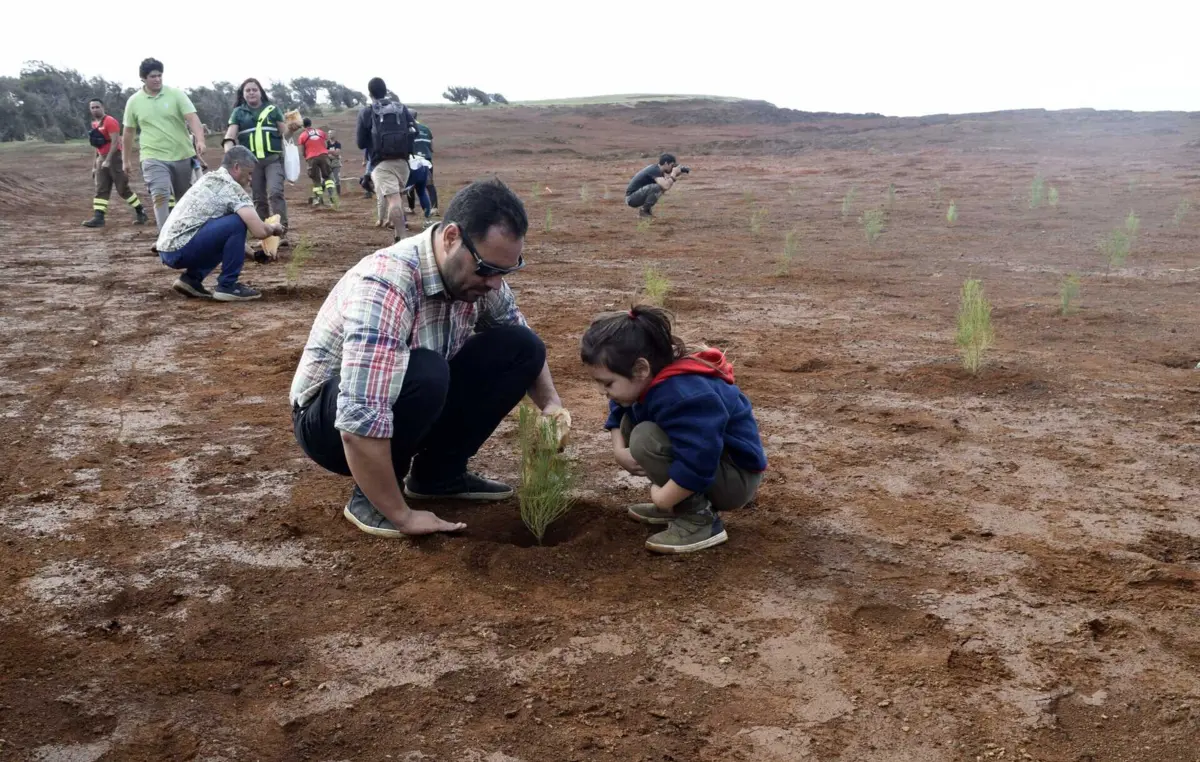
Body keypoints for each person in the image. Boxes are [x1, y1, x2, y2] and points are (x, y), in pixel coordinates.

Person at [290, 178, 571, 538]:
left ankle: (439, 475)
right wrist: (403, 517)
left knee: (522, 347)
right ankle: (372, 500)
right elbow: (358, 417)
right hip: (329, 424)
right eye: (487, 269)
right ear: (452, 237)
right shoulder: (385, 284)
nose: (495, 284)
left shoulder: (479, 276)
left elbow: (521, 334)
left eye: (505, 272)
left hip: (404, 396)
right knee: (426, 371)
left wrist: (551, 405)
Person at [580, 306, 766, 554]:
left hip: (735, 478)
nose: (602, 391)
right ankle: (681, 503)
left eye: (607, 383)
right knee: (630, 421)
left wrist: (663, 498)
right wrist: (618, 449)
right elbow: (618, 406)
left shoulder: (682, 395)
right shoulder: (650, 381)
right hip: (715, 465)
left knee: (645, 438)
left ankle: (698, 519)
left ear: (641, 369)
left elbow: (700, 457)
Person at [155, 146, 283, 302]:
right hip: (181, 249)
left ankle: (191, 280)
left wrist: (254, 255)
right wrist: (275, 229)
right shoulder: (231, 188)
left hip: (169, 249)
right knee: (237, 221)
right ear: (236, 167)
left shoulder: (209, 179)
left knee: (230, 226)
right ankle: (228, 286)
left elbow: (224, 237)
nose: (251, 179)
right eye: (249, 173)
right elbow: (260, 232)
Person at [122, 58, 207, 230]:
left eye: (160, 75)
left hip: (181, 154)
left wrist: (200, 140)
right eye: (153, 76)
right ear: (143, 79)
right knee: (160, 194)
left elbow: (192, 118)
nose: (157, 79)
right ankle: (164, 238)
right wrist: (126, 160)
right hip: (152, 156)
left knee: (184, 198)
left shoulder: (176, 95)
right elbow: (129, 131)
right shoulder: (134, 101)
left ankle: (185, 232)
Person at [221, 78, 292, 242]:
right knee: (259, 198)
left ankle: (281, 232)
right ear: (243, 94)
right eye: (248, 90)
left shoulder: (273, 109)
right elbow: (230, 136)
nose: (251, 93)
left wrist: (292, 129)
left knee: (276, 192)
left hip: (273, 160)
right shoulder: (238, 112)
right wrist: (229, 154)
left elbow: (285, 134)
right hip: (251, 165)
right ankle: (266, 234)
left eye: (254, 89)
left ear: (261, 92)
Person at [357, 77, 417, 240]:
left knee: (394, 200)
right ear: (386, 91)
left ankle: (402, 238)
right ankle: (398, 235)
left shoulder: (367, 112)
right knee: (397, 198)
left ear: (370, 93)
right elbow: (414, 129)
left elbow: (360, 143)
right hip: (403, 163)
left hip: (381, 163)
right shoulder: (400, 108)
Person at [82, 98, 148, 228]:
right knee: (101, 188)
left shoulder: (110, 121)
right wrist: (95, 165)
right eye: (92, 108)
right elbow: (97, 146)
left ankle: (140, 211)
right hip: (101, 157)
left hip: (115, 158)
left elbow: (115, 142)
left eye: (97, 107)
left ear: (103, 107)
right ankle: (99, 217)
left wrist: (108, 160)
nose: (95, 110)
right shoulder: (95, 124)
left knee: (122, 189)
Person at [625, 153, 686, 218]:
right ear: (666, 163)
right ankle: (644, 211)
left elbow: (665, 187)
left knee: (660, 187)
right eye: (672, 165)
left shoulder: (657, 169)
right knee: (657, 187)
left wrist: (676, 174)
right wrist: (673, 173)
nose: (672, 168)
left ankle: (647, 210)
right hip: (631, 198)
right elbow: (666, 186)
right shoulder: (654, 170)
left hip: (635, 196)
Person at [405, 110, 438, 217]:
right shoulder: (426, 129)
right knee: (429, 185)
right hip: (427, 160)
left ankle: (411, 208)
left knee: (410, 185)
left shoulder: (406, 129)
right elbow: (432, 148)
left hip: (413, 161)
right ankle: (434, 208)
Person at [297, 118, 336, 207]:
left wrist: (306, 158)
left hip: (311, 157)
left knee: (316, 180)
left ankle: (319, 200)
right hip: (324, 156)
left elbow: (302, 151)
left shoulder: (302, 135)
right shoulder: (320, 132)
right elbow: (326, 145)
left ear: (303, 125)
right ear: (311, 123)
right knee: (328, 178)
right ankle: (332, 199)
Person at [404, 153, 435, 228]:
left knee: (397, 195)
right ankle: (428, 220)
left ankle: (403, 223)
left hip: (411, 165)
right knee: (422, 192)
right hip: (422, 164)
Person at [326, 129, 343, 194]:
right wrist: (333, 153)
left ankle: (338, 193)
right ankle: (330, 193)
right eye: (329, 133)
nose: (329, 134)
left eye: (331, 133)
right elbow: (325, 152)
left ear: (334, 135)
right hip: (328, 162)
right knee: (327, 178)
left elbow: (337, 153)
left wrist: (329, 152)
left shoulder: (338, 143)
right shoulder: (326, 143)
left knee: (337, 178)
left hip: (336, 163)